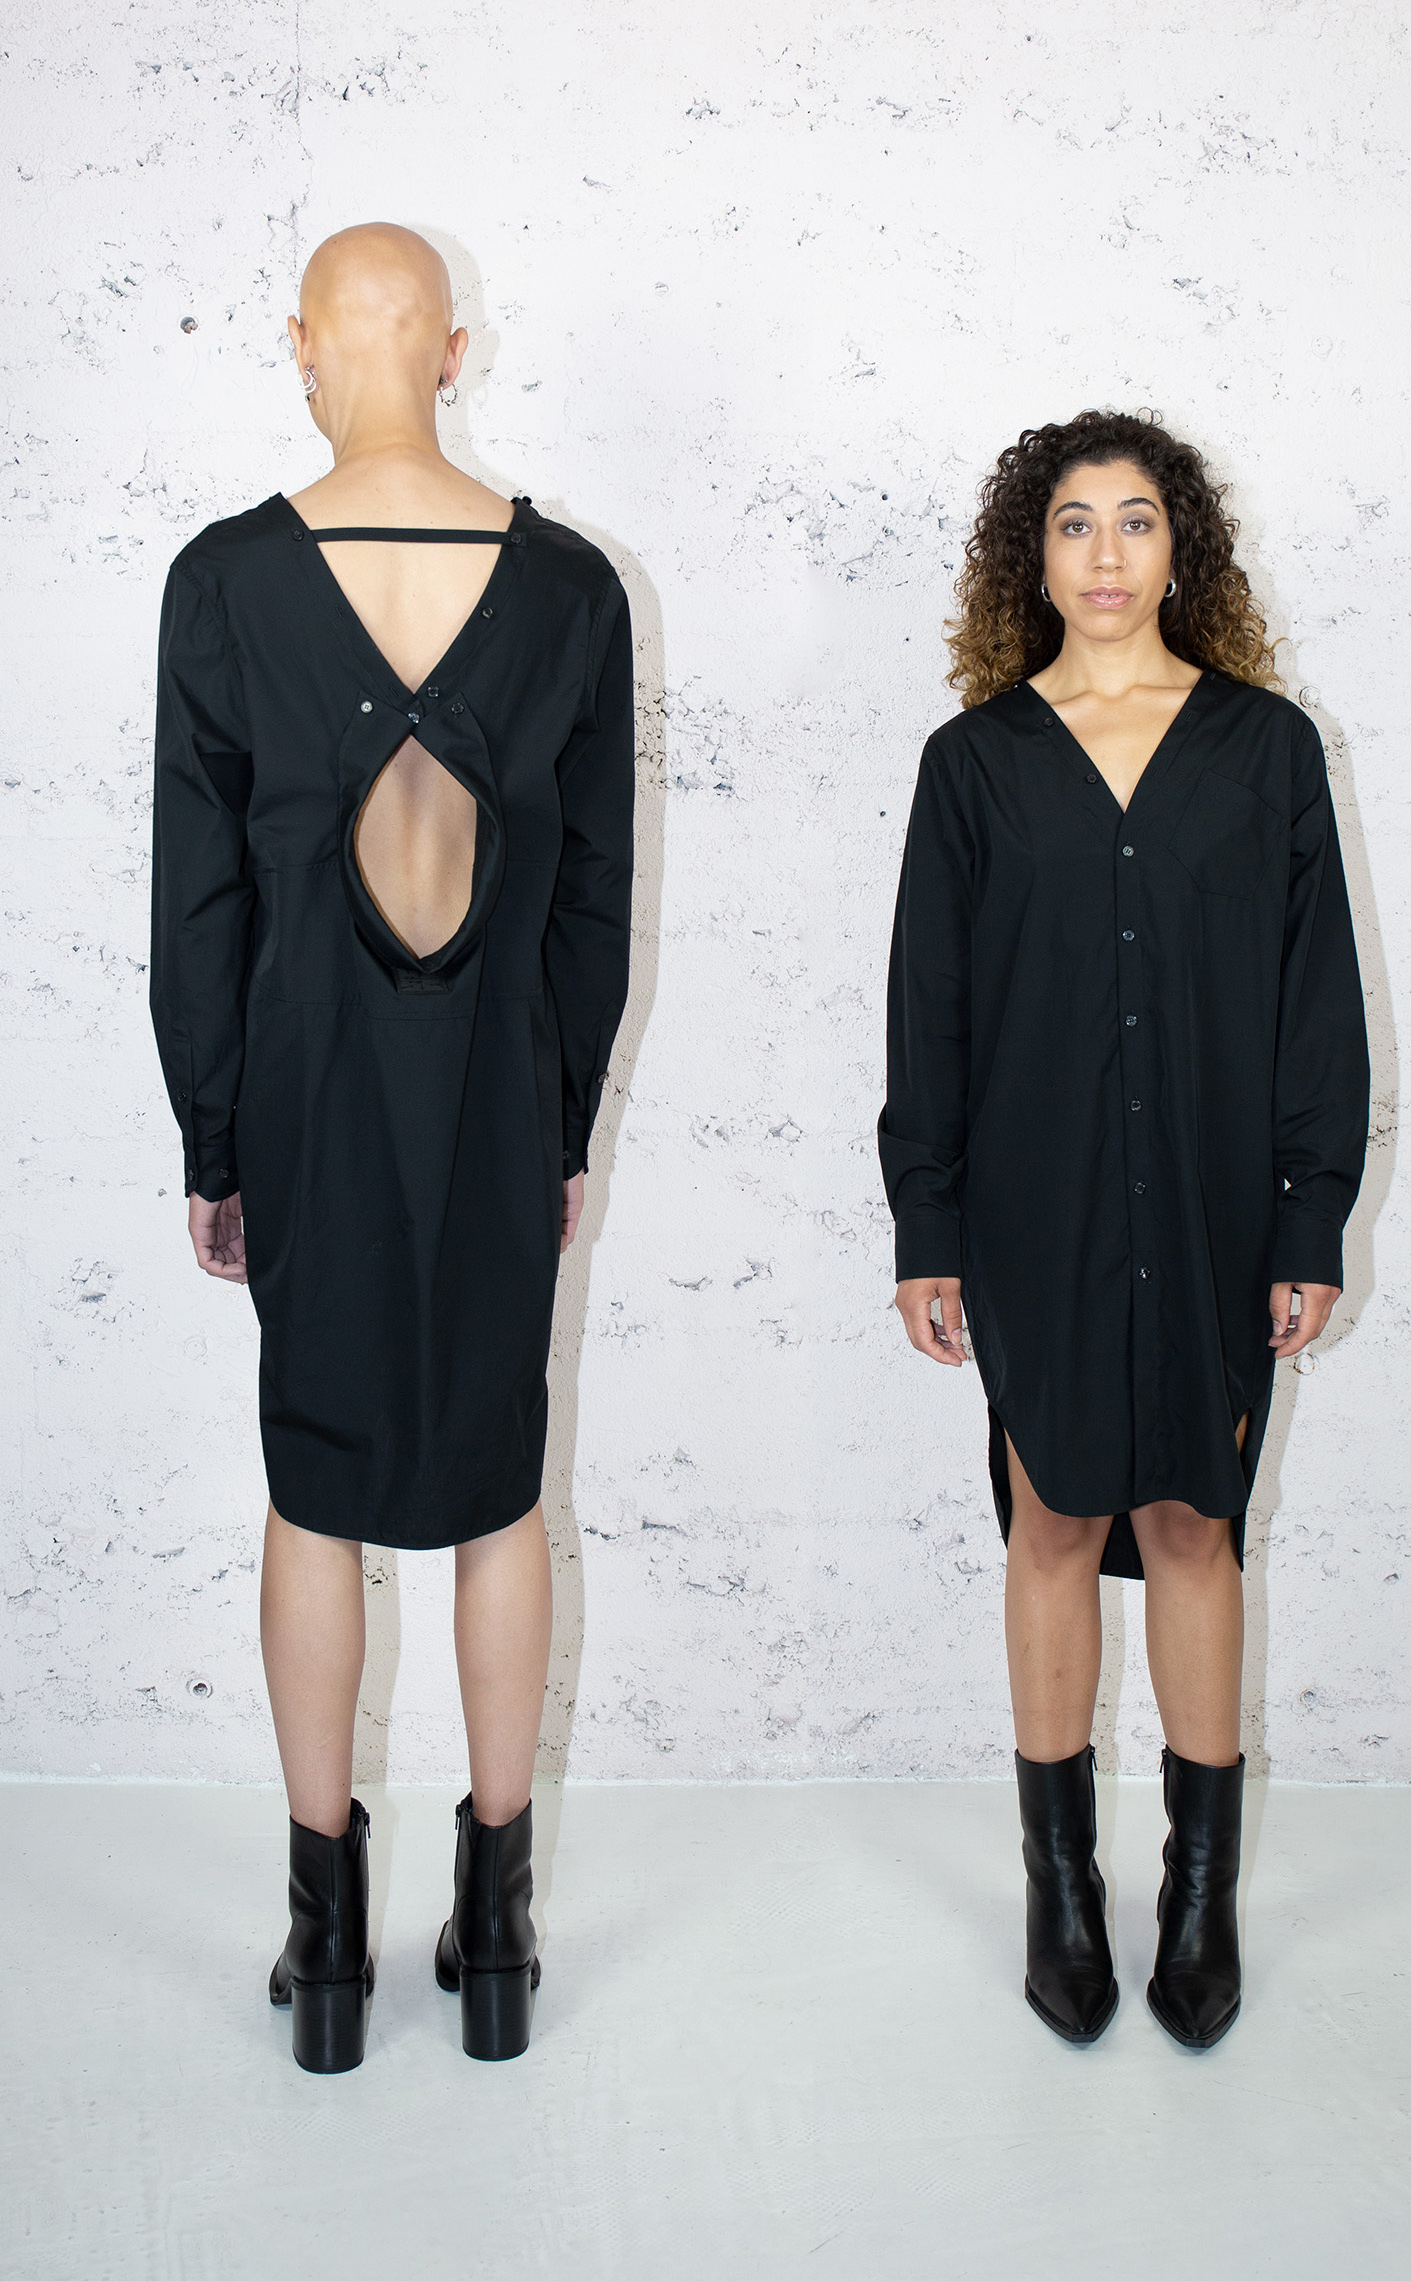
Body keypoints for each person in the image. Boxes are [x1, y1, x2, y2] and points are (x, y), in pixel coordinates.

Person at [150, 223, 635, 2071]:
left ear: (301, 347)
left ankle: (327, 1945)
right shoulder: (570, 587)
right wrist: (561, 1124)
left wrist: (215, 1141)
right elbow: (589, 902)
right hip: (499, 1099)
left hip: (307, 1104)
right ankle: (497, 1938)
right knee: (501, 1493)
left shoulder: (223, 584)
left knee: (314, 1496)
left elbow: (197, 909)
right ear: (449, 348)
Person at [879, 409, 1368, 2049]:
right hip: (1037, 1210)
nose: (1106, 553)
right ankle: (1062, 1889)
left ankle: (1201, 1894)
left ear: (1181, 550)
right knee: (1053, 1522)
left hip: (1220, 1206)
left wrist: (1308, 1215)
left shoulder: (1266, 751)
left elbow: (1317, 1006)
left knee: (1193, 1529)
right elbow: (931, 1012)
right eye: (1075, 523)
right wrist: (927, 1222)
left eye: (1137, 520)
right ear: (1035, 557)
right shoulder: (974, 766)